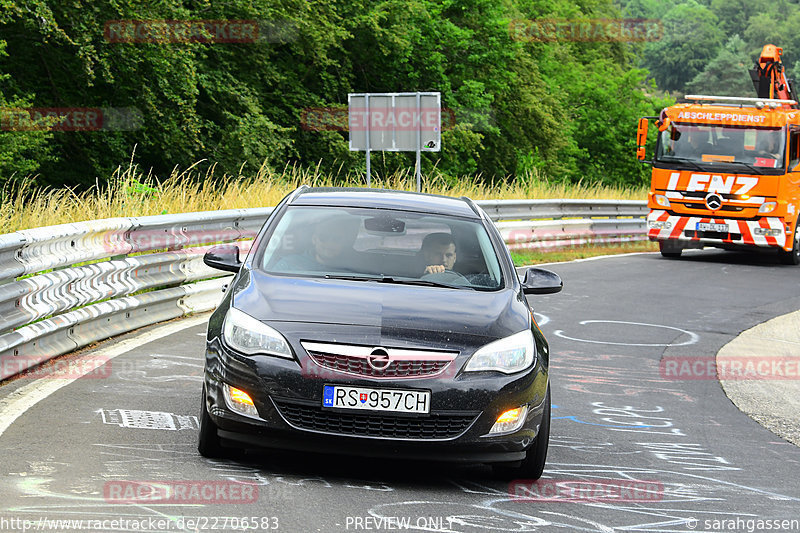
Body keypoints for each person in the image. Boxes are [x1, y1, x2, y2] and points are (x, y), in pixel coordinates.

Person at [271, 216, 358, 272]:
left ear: (344, 242)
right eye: (323, 238)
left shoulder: (354, 270)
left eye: (336, 239)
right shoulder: (288, 265)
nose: (329, 244)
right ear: (314, 239)